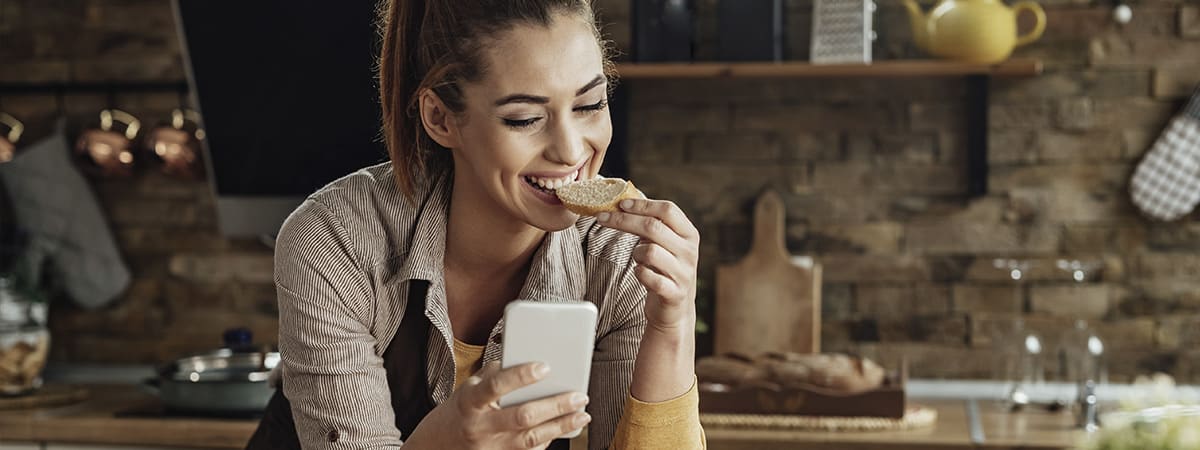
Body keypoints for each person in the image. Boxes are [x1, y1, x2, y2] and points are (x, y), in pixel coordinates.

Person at [245, 0, 705, 449]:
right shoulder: (336, 239)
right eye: (524, 118)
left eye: (589, 105)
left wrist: (672, 326)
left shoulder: (623, 253)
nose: (569, 150)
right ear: (440, 119)